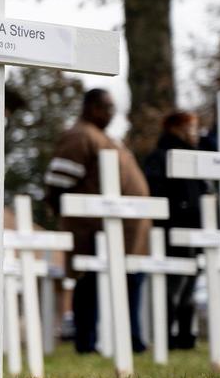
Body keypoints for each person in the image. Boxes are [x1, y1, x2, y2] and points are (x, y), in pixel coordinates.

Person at [45, 88, 152, 354]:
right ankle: (87, 341)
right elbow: (58, 185)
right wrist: (75, 217)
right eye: (106, 107)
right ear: (91, 107)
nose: (111, 113)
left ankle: (132, 339)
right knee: (90, 285)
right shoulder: (80, 135)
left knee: (130, 284)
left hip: (127, 231)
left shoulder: (107, 138)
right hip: (95, 230)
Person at [141, 111, 207, 349]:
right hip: (172, 231)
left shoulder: (197, 157)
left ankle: (185, 336)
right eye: (191, 127)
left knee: (189, 287)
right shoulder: (160, 157)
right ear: (175, 128)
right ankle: (165, 336)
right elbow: (156, 193)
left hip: (196, 231)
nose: (195, 133)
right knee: (171, 287)